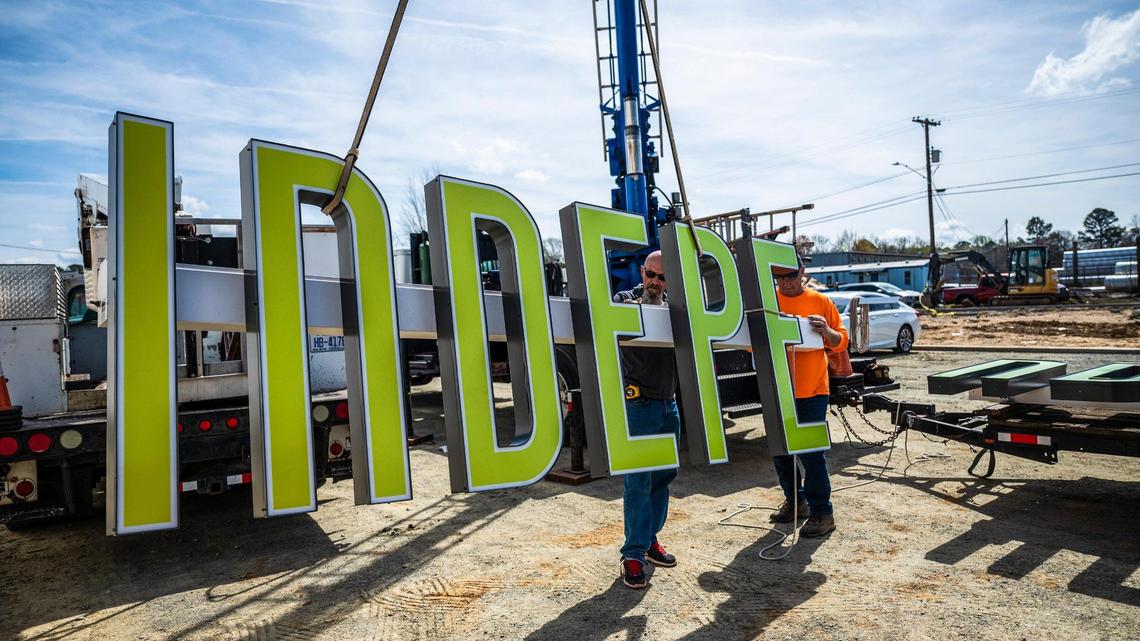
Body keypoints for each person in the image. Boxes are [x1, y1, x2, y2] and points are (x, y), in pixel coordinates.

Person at [613, 250, 679, 589]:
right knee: (638, 482)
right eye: (650, 274)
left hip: (668, 404)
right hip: (638, 406)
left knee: (662, 478)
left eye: (662, 277)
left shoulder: (675, 309)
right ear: (642, 271)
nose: (654, 282)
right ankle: (633, 554)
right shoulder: (625, 301)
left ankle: (649, 539)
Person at [768, 257, 848, 538]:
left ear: (802, 272)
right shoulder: (768, 302)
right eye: (780, 276)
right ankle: (796, 502)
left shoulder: (820, 302)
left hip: (813, 390)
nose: (786, 282)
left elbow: (842, 340)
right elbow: (753, 345)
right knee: (781, 452)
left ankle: (822, 513)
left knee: (811, 454)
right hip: (778, 388)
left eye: (791, 275)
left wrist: (826, 332)